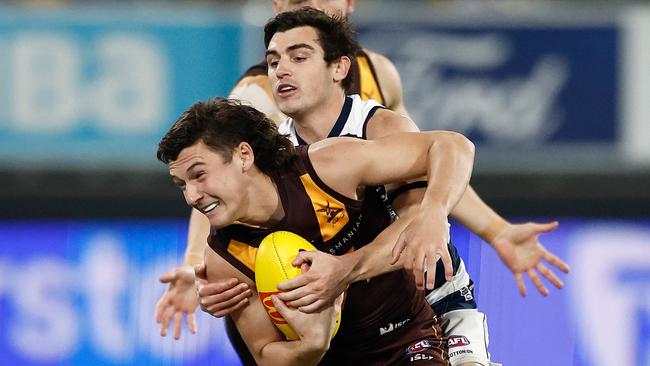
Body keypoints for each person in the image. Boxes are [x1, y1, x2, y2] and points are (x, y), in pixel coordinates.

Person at [155, 1, 569, 365]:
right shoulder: (257, 111)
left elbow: (432, 190)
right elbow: (213, 184)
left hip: (416, 298)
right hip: (331, 322)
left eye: (297, 56)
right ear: (278, 8)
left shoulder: (374, 112)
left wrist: (484, 227)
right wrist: (197, 267)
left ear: (341, 62)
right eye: (275, 58)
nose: (281, 68)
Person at [157, 97, 476, 365]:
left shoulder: (326, 166)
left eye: (199, 175)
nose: (191, 196)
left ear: (244, 155)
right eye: (181, 184)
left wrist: (434, 211)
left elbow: (452, 146)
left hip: (404, 341)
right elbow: (265, 355)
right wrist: (310, 345)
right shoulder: (224, 256)